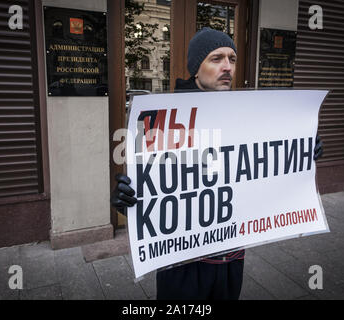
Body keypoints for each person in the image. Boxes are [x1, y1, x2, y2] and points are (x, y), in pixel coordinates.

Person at [111, 27, 323, 300]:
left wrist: (303, 151)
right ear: (195, 68)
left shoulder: (245, 114)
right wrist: (125, 199)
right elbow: (156, 194)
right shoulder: (163, 121)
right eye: (217, 58)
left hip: (231, 260)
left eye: (232, 59)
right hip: (182, 266)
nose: (228, 67)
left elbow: (264, 170)